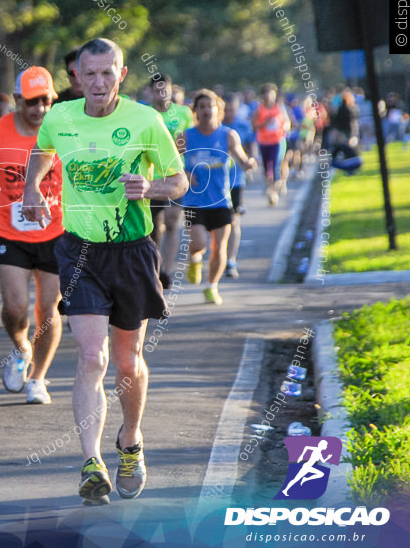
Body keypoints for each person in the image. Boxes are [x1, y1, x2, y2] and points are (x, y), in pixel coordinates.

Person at [22, 38, 187, 505]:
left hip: (132, 251)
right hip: (80, 252)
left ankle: (130, 440)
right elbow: (43, 150)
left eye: (107, 74)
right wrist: (33, 187)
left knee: (126, 363)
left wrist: (150, 186)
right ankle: (92, 462)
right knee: (92, 357)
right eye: (88, 75)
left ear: (122, 73)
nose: (97, 83)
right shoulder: (60, 117)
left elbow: (179, 181)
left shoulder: (144, 120)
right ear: (76, 76)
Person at [0, 66, 63, 405]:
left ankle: (38, 379)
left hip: (56, 230)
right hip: (11, 230)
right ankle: (21, 347)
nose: (39, 108)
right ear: (16, 101)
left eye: (45, 100)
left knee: (49, 309)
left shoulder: (63, 131)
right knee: (15, 308)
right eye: (31, 102)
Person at [178, 91, 256, 304]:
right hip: (194, 200)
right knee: (198, 243)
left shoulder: (228, 135)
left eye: (209, 106)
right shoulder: (186, 136)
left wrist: (248, 163)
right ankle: (194, 258)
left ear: (218, 109)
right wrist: (184, 174)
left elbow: (240, 157)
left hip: (221, 200)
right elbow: (171, 163)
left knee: (219, 247)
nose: (205, 110)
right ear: (195, 111)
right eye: (201, 106)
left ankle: (212, 286)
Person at [144, 73, 193, 289]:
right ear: (151, 91)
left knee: (172, 222)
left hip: (175, 177)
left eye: (166, 89)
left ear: (172, 90)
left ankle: (166, 270)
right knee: (154, 228)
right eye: (157, 90)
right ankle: (154, 267)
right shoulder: (144, 114)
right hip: (152, 180)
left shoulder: (183, 112)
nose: (162, 94)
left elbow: (191, 142)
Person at [222, 94, 252, 280]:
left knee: (234, 220)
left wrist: (251, 163)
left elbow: (250, 146)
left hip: (236, 180)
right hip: (214, 183)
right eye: (225, 110)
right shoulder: (212, 129)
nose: (228, 113)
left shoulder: (242, 126)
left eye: (231, 109)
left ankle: (230, 260)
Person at [252, 83, 290, 204]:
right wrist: (264, 123)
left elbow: (288, 123)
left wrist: (284, 126)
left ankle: (273, 191)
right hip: (263, 141)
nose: (269, 97)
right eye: (266, 94)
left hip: (278, 141)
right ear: (263, 96)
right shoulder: (259, 109)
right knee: (266, 166)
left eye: (271, 94)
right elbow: (254, 126)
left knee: (275, 166)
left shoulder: (280, 108)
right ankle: (269, 186)